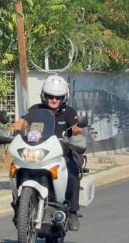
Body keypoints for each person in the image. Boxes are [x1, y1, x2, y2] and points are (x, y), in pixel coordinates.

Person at [9, 75, 84, 231]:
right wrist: (12, 129)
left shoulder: (69, 112)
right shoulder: (36, 110)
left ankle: (72, 212)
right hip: (39, 152)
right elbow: (22, 122)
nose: (54, 100)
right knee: (17, 168)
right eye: (50, 96)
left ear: (64, 98)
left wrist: (77, 136)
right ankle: (18, 204)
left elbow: (77, 128)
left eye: (58, 97)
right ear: (44, 95)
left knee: (72, 172)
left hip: (61, 154)